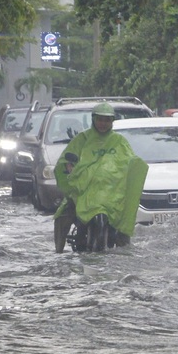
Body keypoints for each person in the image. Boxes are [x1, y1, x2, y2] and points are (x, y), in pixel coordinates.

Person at [53, 102, 145, 253]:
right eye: (100, 119)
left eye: (107, 120)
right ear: (94, 119)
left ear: (112, 122)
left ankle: (124, 248)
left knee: (124, 221)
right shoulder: (82, 139)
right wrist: (70, 168)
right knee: (63, 215)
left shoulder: (119, 142)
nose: (103, 123)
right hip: (85, 191)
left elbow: (129, 161)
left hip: (111, 194)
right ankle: (58, 249)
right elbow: (66, 160)